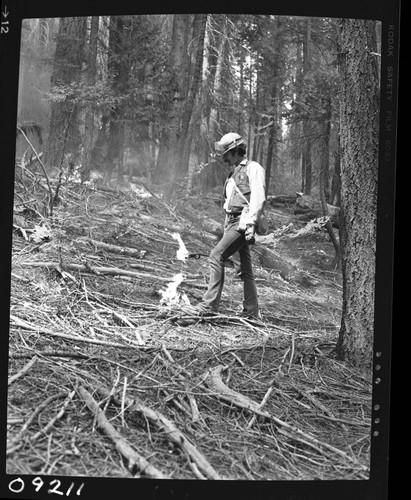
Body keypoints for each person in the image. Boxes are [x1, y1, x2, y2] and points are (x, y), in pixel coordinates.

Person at [195, 132, 266, 319]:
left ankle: (209, 306)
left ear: (234, 151)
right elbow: (229, 204)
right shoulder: (233, 173)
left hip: (242, 222)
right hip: (232, 222)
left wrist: (251, 223)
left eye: (226, 154)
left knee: (215, 256)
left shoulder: (253, 168)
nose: (224, 158)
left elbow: (258, 197)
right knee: (245, 270)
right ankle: (251, 313)